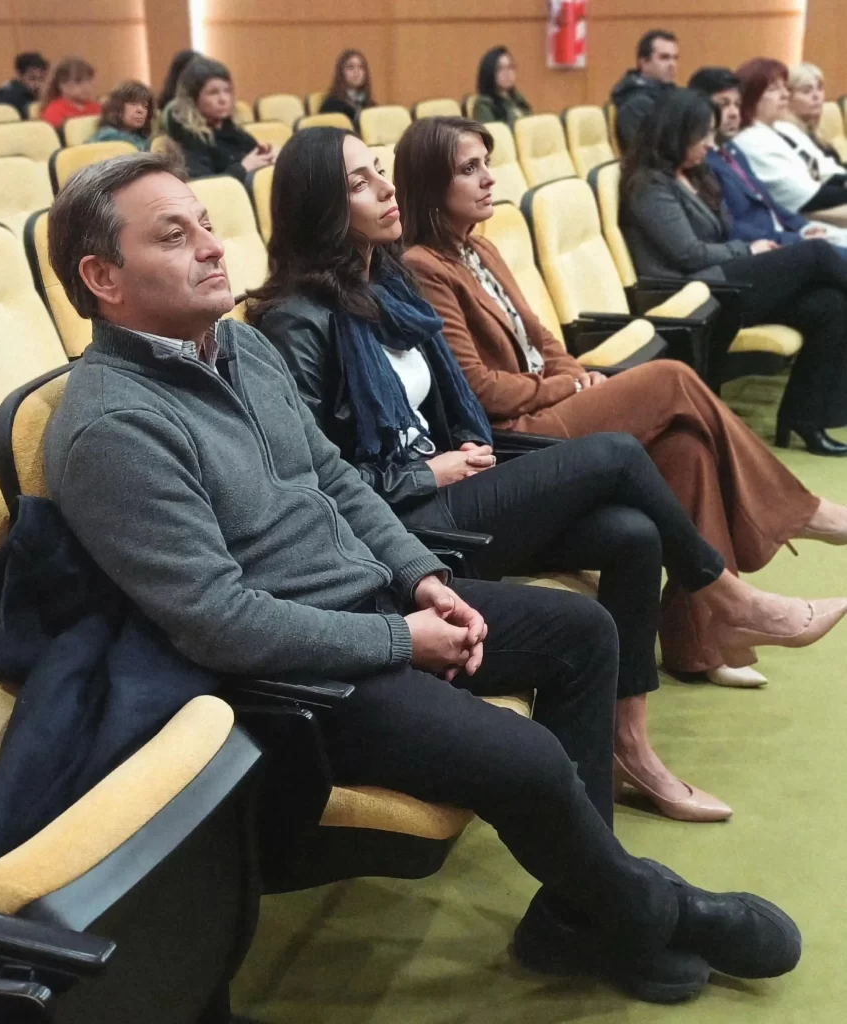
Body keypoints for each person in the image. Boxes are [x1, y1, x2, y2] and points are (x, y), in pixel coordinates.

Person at [43, 150, 802, 1005]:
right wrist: (401, 638)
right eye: (175, 236)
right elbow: (218, 621)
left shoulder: (240, 347)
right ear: (102, 277)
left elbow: (334, 479)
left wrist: (420, 578)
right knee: (526, 758)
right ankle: (652, 909)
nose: (214, 247)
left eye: (208, 225)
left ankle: (580, 916)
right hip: (300, 679)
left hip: (373, 601)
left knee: (583, 634)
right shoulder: (112, 427)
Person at [247, 126, 847, 821]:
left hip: (458, 477)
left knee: (631, 534)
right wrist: (427, 474)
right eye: (359, 182)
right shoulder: (295, 321)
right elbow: (316, 483)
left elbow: (461, 397)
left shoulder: (386, 284)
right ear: (320, 204)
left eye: (379, 170)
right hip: (403, 525)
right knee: (621, 451)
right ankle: (729, 598)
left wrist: (462, 447)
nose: (385, 188)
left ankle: (631, 749)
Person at [393, 113, 847, 681]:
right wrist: (568, 385)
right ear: (430, 182)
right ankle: (801, 514)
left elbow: (542, 339)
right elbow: (479, 389)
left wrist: (575, 372)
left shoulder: (480, 250)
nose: (488, 178)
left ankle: (700, 641)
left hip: (550, 400)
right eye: (469, 169)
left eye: (487, 163)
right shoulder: (423, 266)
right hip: (515, 432)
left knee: (685, 447)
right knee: (670, 378)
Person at [620, 88, 847, 455]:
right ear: (677, 133)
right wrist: (748, 250)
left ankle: (805, 418)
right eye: (703, 135)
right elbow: (689, 254)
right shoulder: (648, 186)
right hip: (690, 295)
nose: (710, 144)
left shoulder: (695, 175)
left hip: (719, 279)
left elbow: (721, 234)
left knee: (829, 304)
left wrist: (753, 248)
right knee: (817, 254)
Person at [688, 67, 847, 252]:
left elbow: (769, 202)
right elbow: (732, 226)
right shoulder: (704, 161)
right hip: (767, 246)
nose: (734, 113)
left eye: (737, 105)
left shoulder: (732, 150)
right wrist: (797, 238)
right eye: (723, 105)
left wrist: (804, 228)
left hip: (789, 231)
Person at [733, 58, 847, 226]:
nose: (785, 95)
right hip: (800, 222)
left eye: (784, 88)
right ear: (752, 96)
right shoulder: (750, 141)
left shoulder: (783, 128)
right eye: (774, 89)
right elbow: (809, 197)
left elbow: (827, 172)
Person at [165, 56, 273, 181]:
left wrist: (266, 158)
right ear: (193, 99)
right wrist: (243, 168)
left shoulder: (234, 132)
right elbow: (204, 184)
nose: (223, 99)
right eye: (213, 93)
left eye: (227, 91)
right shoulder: (187, 139)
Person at [610, 29, 678, 152]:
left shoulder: (672, 94)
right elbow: (643, 154)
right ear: (644, 62)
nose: (672, 64)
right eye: (664, 58)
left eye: (675, 58)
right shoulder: (634, 104)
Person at [782, 62, 847, 171]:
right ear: (788, 98)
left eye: (820, 88)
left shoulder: (816, 136)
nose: (817, 96)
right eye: (806, 91)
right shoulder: (787, 139)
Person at [473, 47, 532, 126]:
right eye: (500, 69)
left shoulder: (518, 98)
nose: (507, 73)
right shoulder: (484, 104)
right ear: (490, 72)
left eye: (510, 67)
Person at [41, 57, 102, 130]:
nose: (86, 86)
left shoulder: (96, 107)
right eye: (78, 81)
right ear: (62, 85)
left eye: (88, 80)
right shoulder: (54, 111)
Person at [90, 80, 153, 151]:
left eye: (145, 105)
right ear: (117, 107)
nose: (140, 110)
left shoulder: (143, 139)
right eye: (133, 104)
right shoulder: (107, 136)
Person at [320, 50, 376, 121]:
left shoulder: (370, 105)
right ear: (341, 73)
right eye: (350, 67)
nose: (356, 72)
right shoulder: (331, 105)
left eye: (361, 67)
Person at [0, 52, 48, 119]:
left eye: (42, 79)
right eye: (32, 79)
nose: (38, 84)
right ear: (19, 75)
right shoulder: (14, 97)